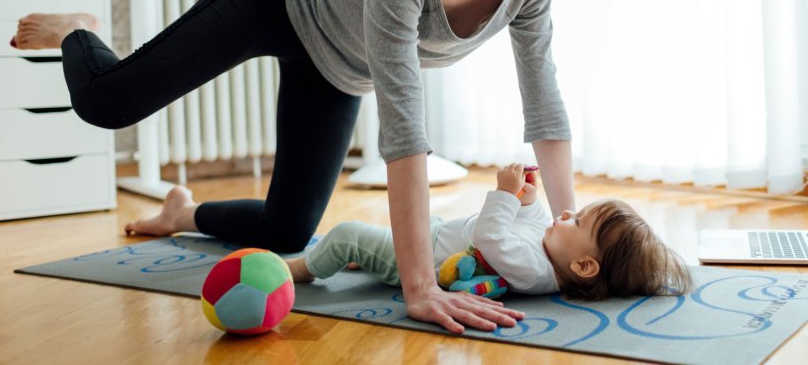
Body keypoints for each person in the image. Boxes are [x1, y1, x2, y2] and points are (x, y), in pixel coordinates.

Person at [11, 0, 614, 333]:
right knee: (107, 105)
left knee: (288, 231)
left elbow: (546, 111)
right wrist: (420, 286)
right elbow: (404, 129)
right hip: (277, 2)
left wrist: (568, 235)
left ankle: (181, 215)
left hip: (336, 71)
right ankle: (75, 31)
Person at [286, 163, 693, 301]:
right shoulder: (551, 255)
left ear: (585, 265)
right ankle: (367, 259)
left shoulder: (535, 271)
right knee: (413, 217)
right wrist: (528, 199)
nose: (566, 212)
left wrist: (503, 194)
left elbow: (491, 239)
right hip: (439, 234)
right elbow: (531, 226)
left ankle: (303, 268)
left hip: (419, 258)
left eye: (578, 221)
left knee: (346, 233)